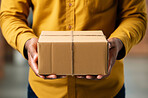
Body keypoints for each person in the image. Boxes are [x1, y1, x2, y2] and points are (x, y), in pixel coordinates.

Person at [0, 0, 147, 97]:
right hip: (44, 91)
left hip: (105, 90)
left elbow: (135, 15)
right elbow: (10, 15)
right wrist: (26, 41)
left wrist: (119, 41)